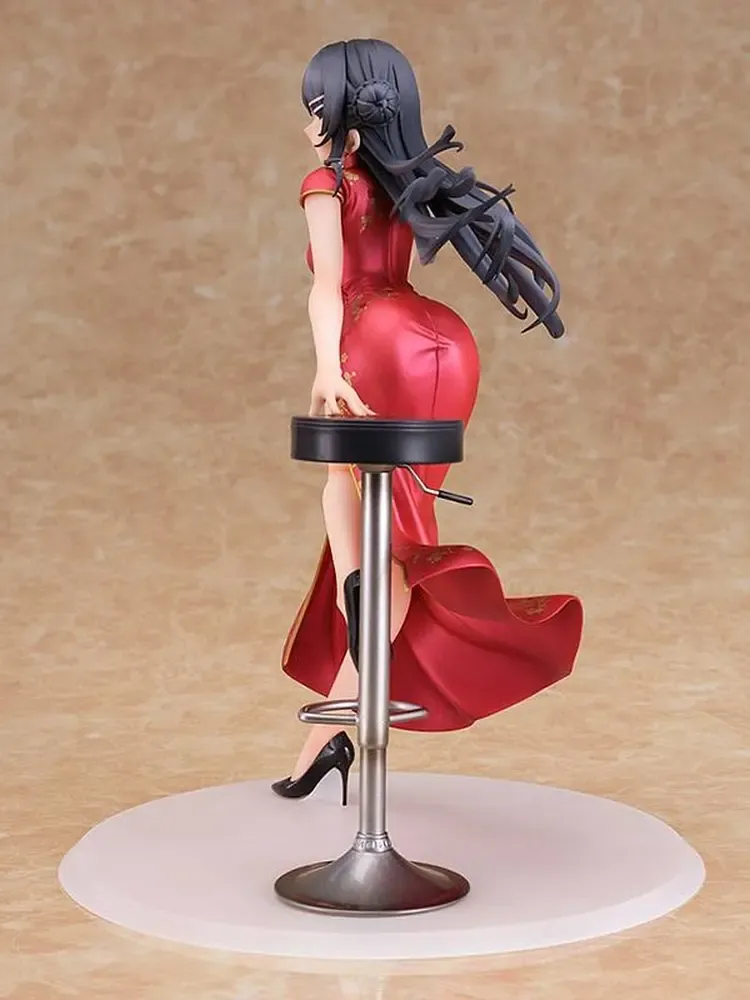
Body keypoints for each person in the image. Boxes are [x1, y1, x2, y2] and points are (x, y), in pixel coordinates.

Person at [271, 39, 584, 804]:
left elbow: (328, 287)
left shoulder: (327, 182)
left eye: (315, 108)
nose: (307, 124)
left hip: (374, 339)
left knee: (362, 529)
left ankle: (344, 712)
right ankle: (323, 741)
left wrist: (326, 366)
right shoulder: (409, 181)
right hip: (445, 344)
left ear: (340, 114)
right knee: (395, 536)